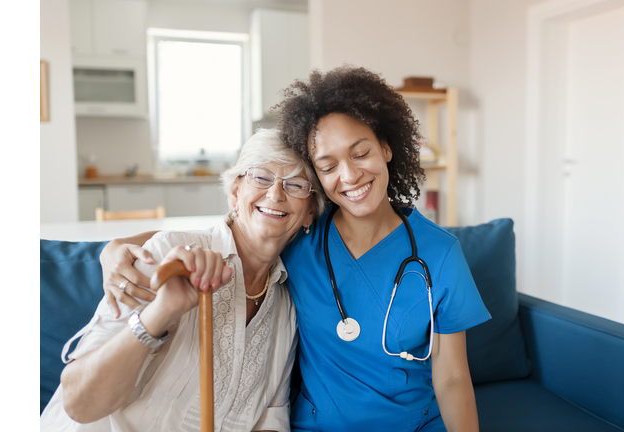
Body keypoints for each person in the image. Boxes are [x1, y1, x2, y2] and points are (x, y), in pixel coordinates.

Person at [100, 66, 491, 432]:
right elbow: (224, 231)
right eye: (328, 164)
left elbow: (453, 376)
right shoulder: (302, 235)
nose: (350, 175)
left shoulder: (440, 255)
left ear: (386, 148)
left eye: (361, 153)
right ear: (317, 177)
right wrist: (114, 247)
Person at [40, 128, 324, 432]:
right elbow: (79, 403)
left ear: (309, 212)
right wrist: (162, 310)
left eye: (295, 185)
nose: (276, 194)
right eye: (261, 177)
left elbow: (270, 419)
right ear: (235, 193)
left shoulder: (288, 305)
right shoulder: (166, 253)